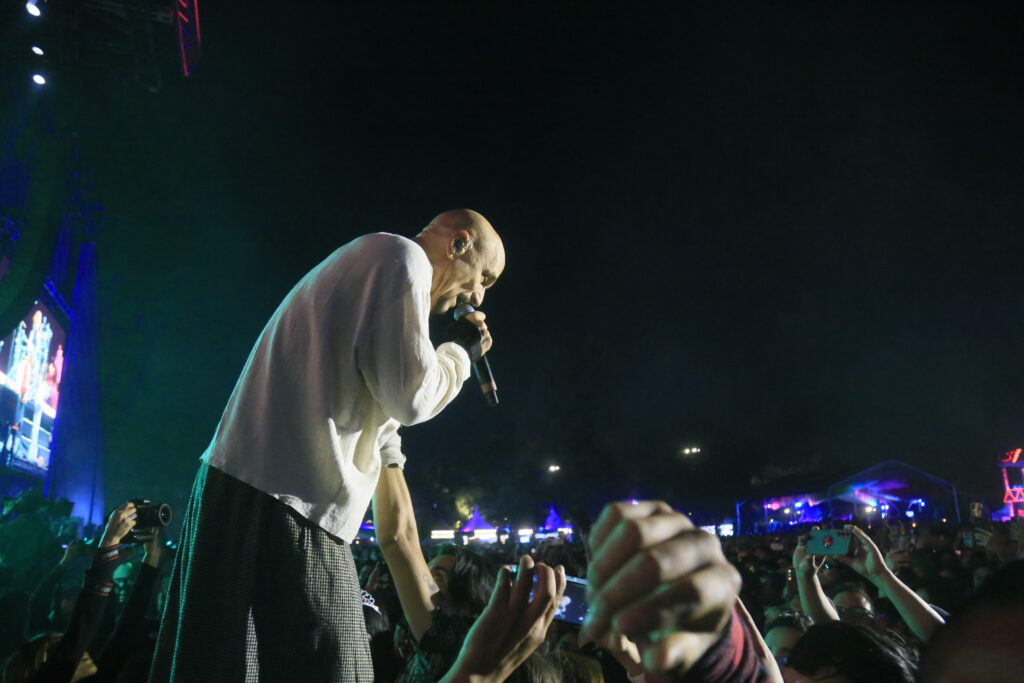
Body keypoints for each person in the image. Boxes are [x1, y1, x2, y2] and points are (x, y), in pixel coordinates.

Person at [150, 210, 505, 683]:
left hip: (250, 490)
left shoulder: (372, 263)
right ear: (459, 244)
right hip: (289, 501)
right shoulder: (403, 258)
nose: (479, 296)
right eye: (484, 277)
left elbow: (386, 427)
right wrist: (459, 352)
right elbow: (413, 397)